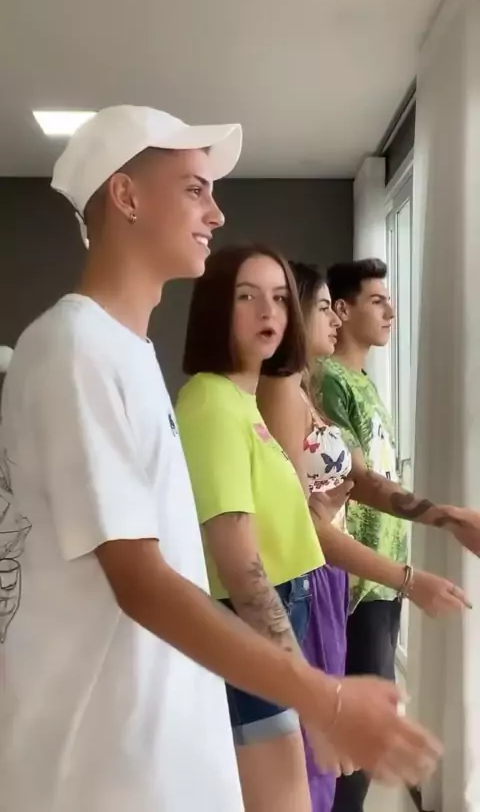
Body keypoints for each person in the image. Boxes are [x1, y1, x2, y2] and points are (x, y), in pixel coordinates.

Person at [0, 109, 439, 812]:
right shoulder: (77, 350)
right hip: (98, 762)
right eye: (195, 189)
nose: (216, 212)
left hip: (147, 736)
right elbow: (141, 580)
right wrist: (320, 695)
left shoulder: (124, 353)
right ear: (126, 196)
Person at [174, 245, 441, 811]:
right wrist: (317, 697)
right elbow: (241, 567)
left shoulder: (242, 400)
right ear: (216, 307)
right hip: (258, 625)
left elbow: (285, 516)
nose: (269, 312)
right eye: (247, 297)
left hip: (286, 612)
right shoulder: (211, 403)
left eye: (279, 298)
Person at [257, 261, 470, 812]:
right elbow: (297, 522)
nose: (334, 318)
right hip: (310, 581)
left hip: (332, 581)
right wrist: (408, 578)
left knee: (342, 752)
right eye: (323, 307)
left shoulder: (306, 390)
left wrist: (447, 517)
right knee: (328, 750)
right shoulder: (284, 391)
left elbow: (361, 480)